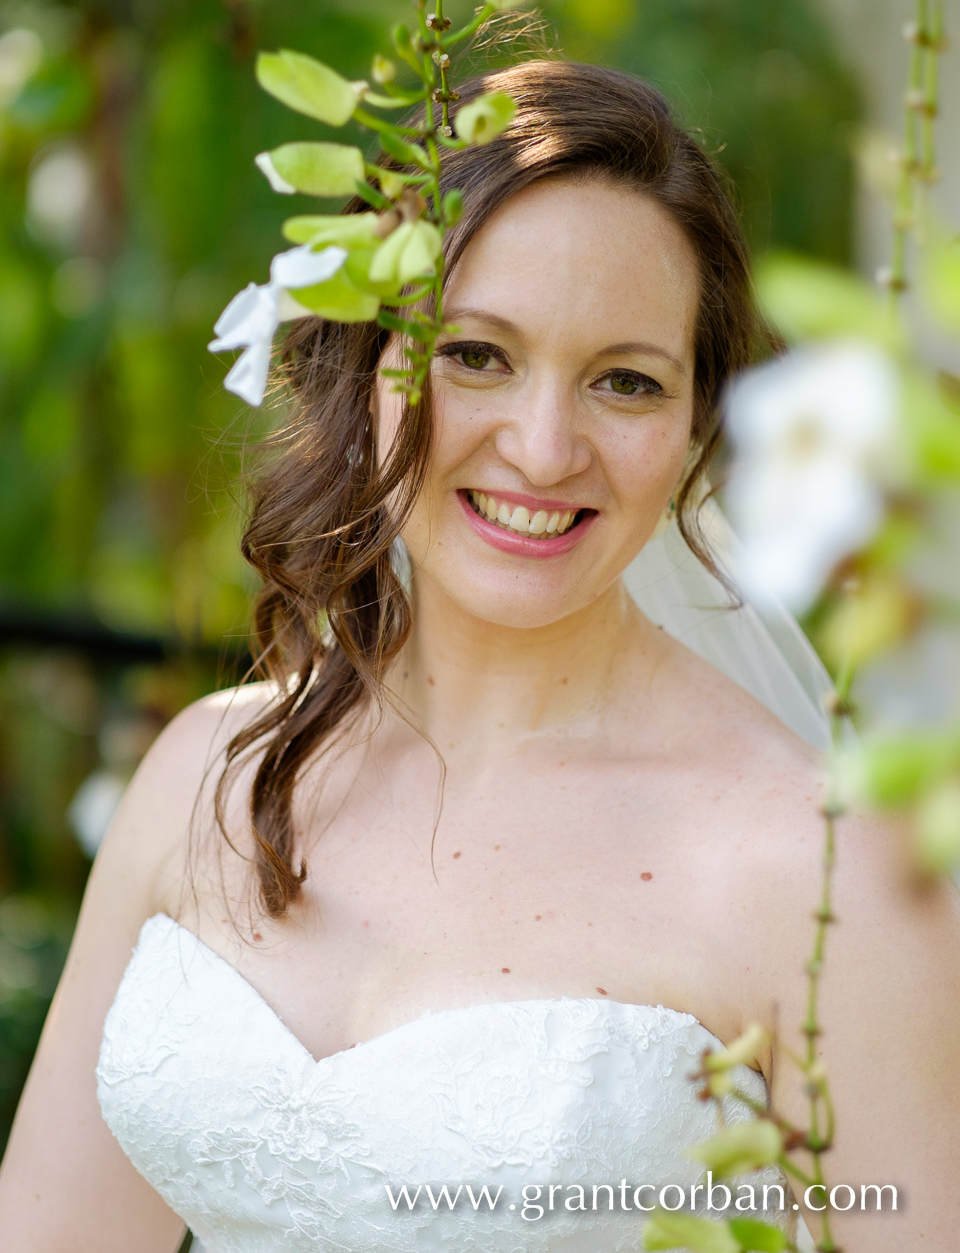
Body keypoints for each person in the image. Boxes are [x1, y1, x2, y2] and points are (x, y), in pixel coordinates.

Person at [2, 60, 958, 1253]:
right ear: (365, 365)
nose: (545, 448)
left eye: (625, 381)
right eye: (476, 355)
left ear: (697, 425)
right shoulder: (208, 775)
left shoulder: (823, 868)